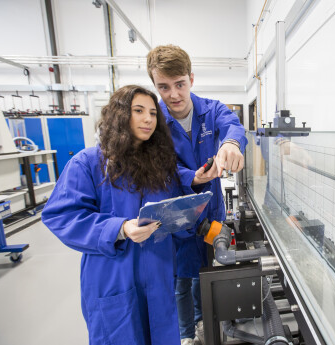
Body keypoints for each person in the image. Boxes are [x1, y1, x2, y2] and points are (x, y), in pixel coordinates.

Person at [42, 85, 192, 345]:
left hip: (158, 272)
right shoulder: (88, 163)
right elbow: (61, 215)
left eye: (153, 113)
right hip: (112, 277)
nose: (148, 119)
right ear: (120, 115)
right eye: (138, 111)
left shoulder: (160, 167)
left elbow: (174, 213)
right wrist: (119, 228)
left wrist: (187, 215)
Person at [147, 45, 247, 345]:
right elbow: (159, 169)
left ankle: (204, 321)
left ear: (191, 78)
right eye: (164, 87)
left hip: (211, 210)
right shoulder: (156, 123)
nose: (174, 95)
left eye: (180, 84)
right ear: (155, 85)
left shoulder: (211, 109)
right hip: (177, 215)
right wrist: (192, 177)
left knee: (205, 271)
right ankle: (186, 335)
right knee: (181, 279)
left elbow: (232, 124)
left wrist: (230, 143)